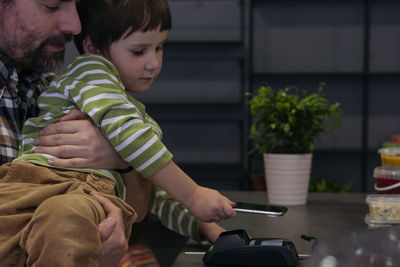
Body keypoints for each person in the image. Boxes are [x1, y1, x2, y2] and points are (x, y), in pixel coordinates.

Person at [0, 0, 235, 265]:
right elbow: (129, 134)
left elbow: (157, 195)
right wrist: (193, 195)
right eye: (138, 51)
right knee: (66, 216)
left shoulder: (55, 86)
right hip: (65, 189)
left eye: (159, 48)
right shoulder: (93, 70)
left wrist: (207, 227)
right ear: (93, 48)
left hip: (23, 190)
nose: (153, 63)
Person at [0, 0, 153, 266]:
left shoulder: (59, 90)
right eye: (51, 5)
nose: (75, 25)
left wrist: (122, 160)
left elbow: (137, 212)